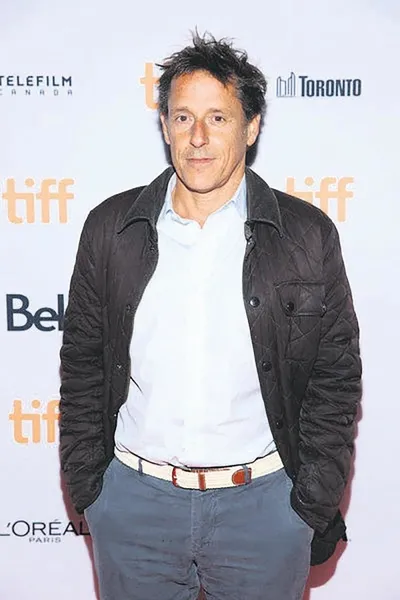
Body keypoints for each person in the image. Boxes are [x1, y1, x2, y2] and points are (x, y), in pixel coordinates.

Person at [59, 31, 362, 600]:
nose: (198, 137)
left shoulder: (306, 236)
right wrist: (92, 490)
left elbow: (335, 379)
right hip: (133, 507)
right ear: (165, 127)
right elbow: (82, 366)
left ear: (251, 128)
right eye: (183, 118)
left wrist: (308, 504)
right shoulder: (111, 229)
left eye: (218, 118)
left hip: (265, 509)